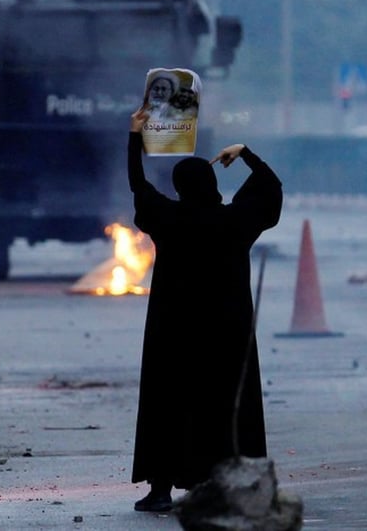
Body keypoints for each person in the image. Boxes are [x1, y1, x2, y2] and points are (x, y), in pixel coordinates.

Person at [127, 105, 283, 512]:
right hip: (226, 334)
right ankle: (227, 484)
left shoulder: (168, 219)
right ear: (212, 183)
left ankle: (161, 488)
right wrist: (245, 153)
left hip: (173, 332)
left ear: (180, 187)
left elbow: (138, 186)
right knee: (224, 404)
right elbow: (270, 188)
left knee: (169, 404)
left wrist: (135, 139)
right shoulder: (236, 222)